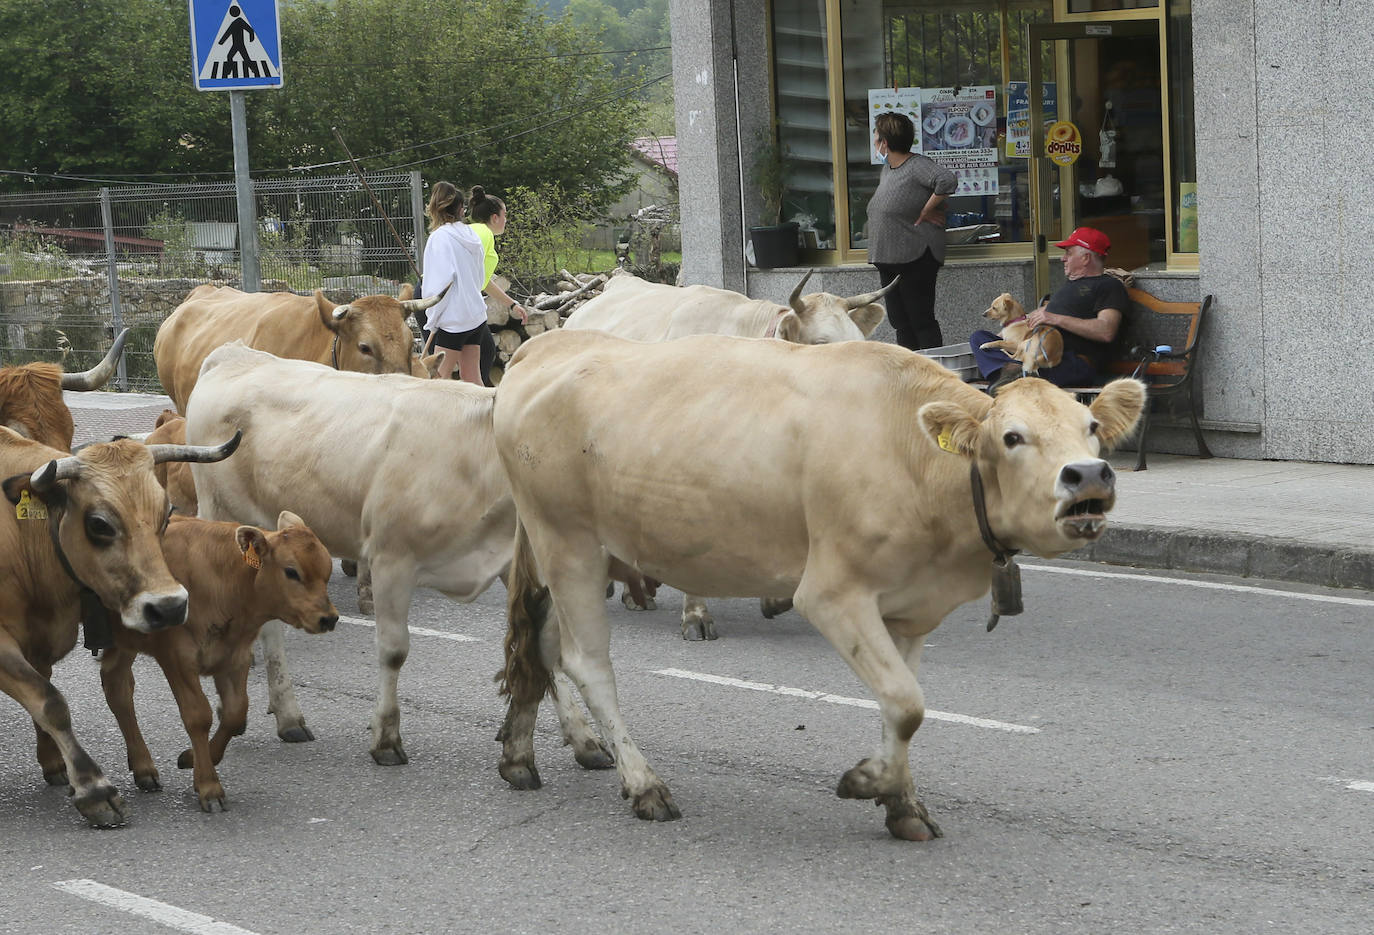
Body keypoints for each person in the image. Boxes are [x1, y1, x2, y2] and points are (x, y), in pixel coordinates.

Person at [970, 226, 1129, 392]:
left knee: (1022, 361)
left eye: (1069, 253)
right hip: (1033, 348)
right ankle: (1012, 374)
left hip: (1067, 360)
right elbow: (1042, 318)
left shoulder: (1109, 286)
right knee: (979, 338)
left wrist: (1054, 318)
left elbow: (1106, 330)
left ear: (1086, 258)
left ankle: (1010, 376)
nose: (1063, 259)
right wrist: (1015, 328)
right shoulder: (1070, 285)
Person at [866, 111, 958, 351]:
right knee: (900, 321)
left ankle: (932, 373)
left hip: (915, 256)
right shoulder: (888, 169)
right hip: (888, 257)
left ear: (885, 142)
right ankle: (910, 372)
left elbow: (947, 180)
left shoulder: (917, 164)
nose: (874, 141)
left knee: (920, 319)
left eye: (877, 137)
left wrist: (927, 210)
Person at [420, 181, 487, 384]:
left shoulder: (439, 238)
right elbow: (479, 277)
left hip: (454, 321)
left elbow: (438, 286)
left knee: (439, 379)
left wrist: (432, 320)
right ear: (460, 209)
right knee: (472, 378)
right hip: (475, 316)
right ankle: (486, 415)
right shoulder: (471, 235)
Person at [467, 186, 528, 382]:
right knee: (481, 351)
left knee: (480, 351)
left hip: (437, 293)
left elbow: (483, 281)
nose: (506, 220)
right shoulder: (483, 233)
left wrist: (511, 304)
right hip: (446, 298)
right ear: (495, 218)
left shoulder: (475, 230)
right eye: (505, 215)